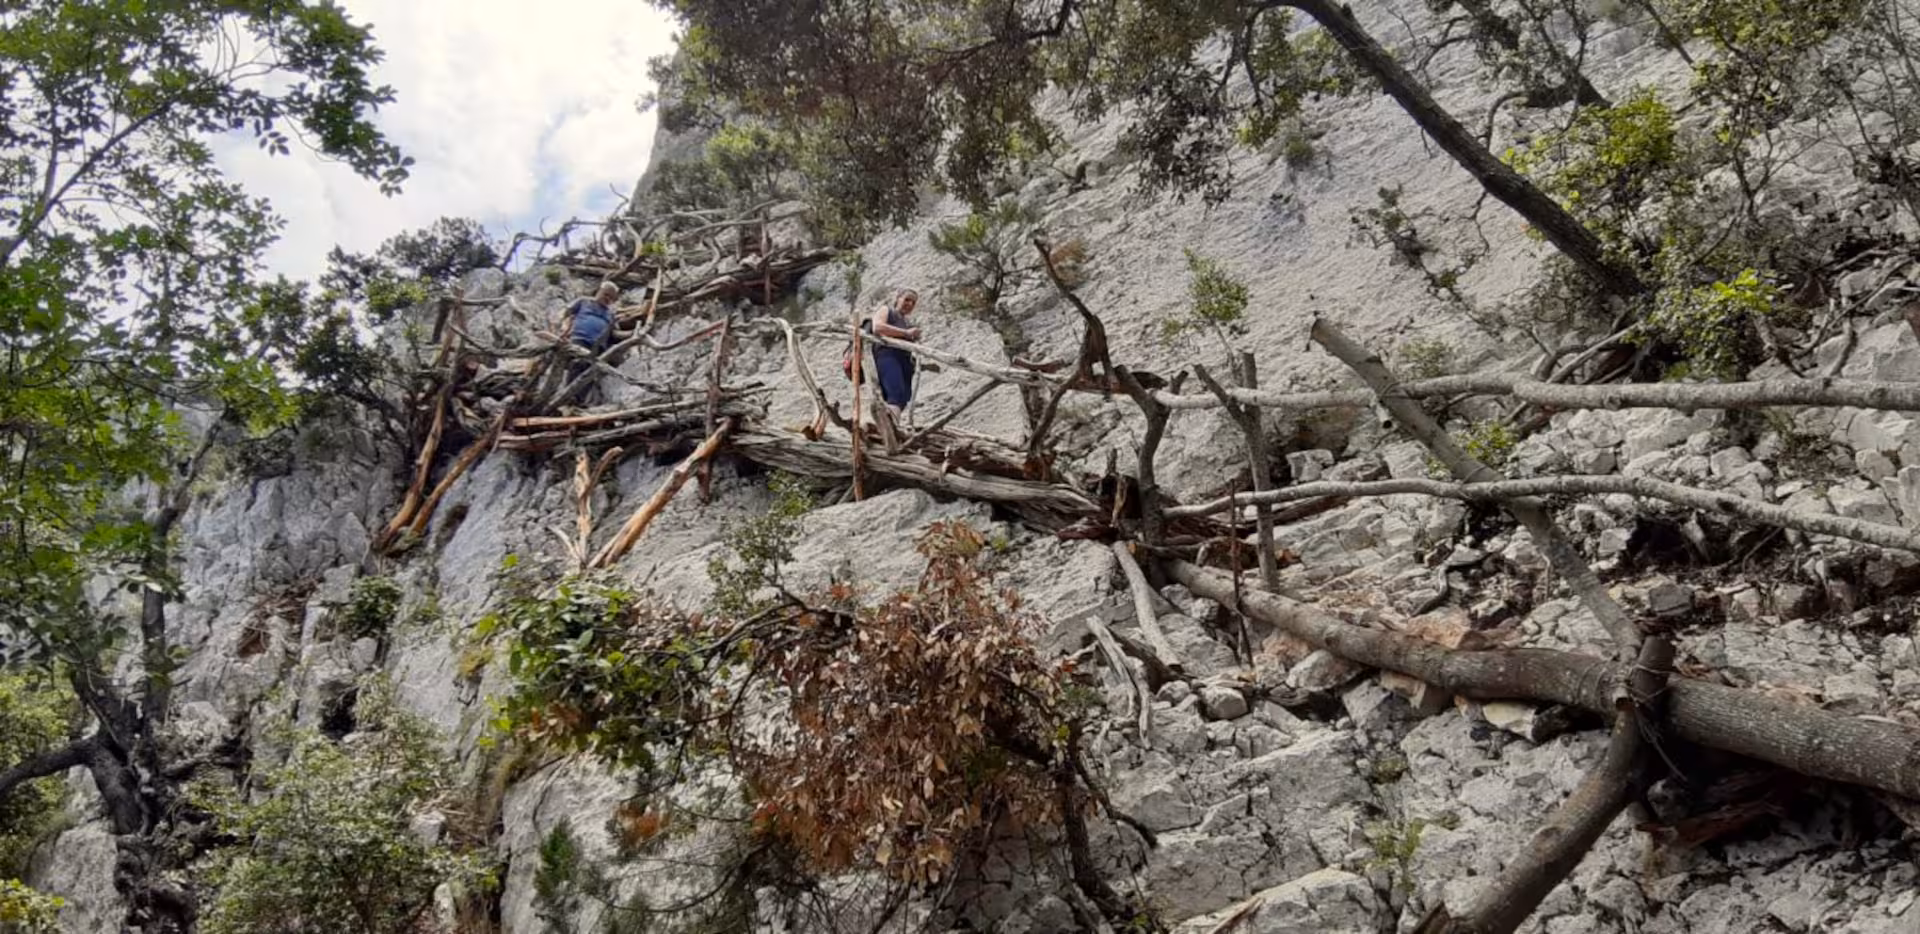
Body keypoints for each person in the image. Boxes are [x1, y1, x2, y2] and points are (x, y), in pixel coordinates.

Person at [557, 281, 620, 406]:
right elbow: (565, 313)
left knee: (590, 373)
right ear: (599, 291)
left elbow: (616, 333)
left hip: (599, 347)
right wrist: (562, 327)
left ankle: (580, 402)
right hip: (580, 339)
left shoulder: (610, 314)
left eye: (611, 298)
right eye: (606, 294)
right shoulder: (584, 301)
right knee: (576, 365)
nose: (608, 299)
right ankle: (568, 399)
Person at [867, 288, 921, 422]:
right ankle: (891, 429)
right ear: (898, 299)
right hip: (887, 356)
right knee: (895, 394)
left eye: (913, 302)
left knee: (902, 398)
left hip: (903, 360)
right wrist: (906, 333)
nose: (909, 304)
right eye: (907, 299)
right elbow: (878, 327)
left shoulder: (907, 323)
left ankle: (887, 425)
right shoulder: (887, 311)